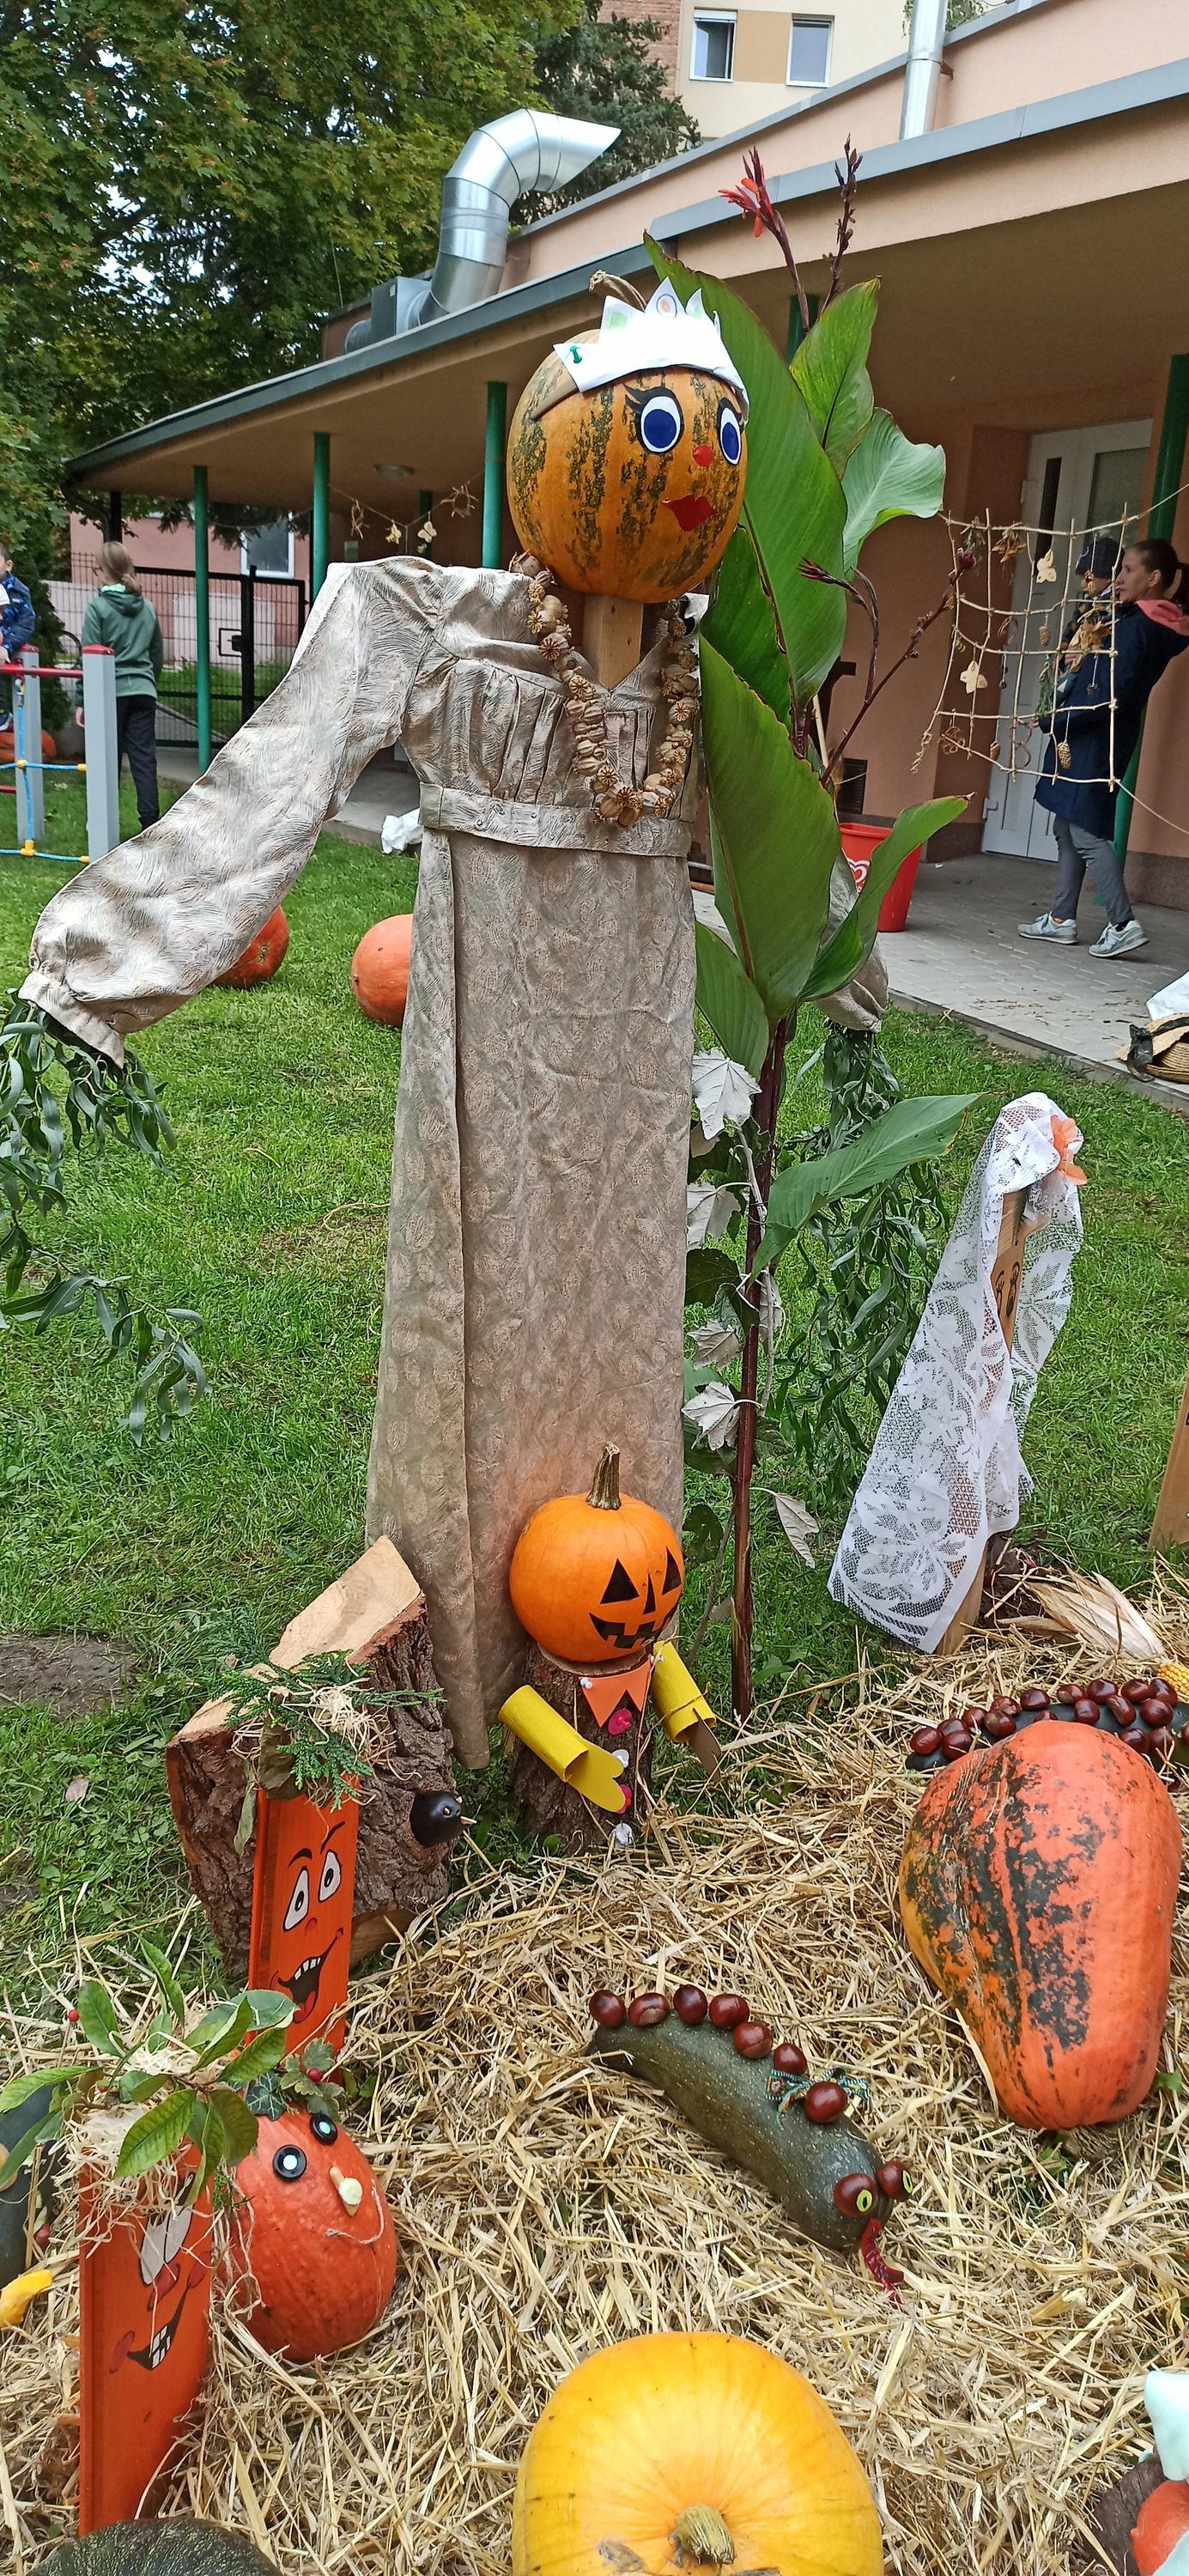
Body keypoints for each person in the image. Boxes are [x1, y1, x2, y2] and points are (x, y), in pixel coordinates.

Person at [1019, 536, 1189, 957]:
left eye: (1127, 570)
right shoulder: (1127, 619)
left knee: (1085, 830)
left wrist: (1053, 719)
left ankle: (1123, 923)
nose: (1118, 578)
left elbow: (1110, 698)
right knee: (1066, 824)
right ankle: (1061, 919)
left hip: (1096, 739)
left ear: (1153, 579)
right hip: (1082, 734)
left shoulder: (1139, 630)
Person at [78, 542, 165, 830]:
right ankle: (150, 824)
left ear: (104, 572)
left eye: (96, 569)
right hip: (143, 691)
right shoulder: (148, 608)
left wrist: (82, 699)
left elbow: (89, 656)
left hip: (109, 692)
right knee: (143, 759)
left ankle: (102, 824)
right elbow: (156, 654)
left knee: (107, 759)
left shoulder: (97, 608)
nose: (95, 574)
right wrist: (149, 681)